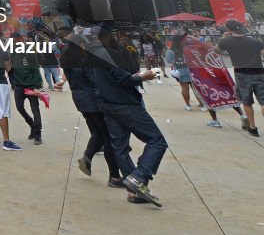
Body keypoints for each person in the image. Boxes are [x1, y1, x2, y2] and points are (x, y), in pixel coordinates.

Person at [91, 25, 168, 206]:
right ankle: (139, 177)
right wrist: (144, 76)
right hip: (124, 104)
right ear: (107, 36)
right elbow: (125, 79)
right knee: (157, 141)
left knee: (120, 147)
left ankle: (134, 190)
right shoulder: (109, 54)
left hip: (106, 104)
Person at [59, 23, 123, 188]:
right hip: (92, 102)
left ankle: (88, 158)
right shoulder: (83, 62)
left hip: (80, 100)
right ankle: (114, 176)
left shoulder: (67, 60)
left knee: (98, 132)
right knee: (107, 135)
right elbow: (95, 82)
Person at [217, 20, 264, 138]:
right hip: (259, 73)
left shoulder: (225, 41)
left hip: (241, 74)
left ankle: (253, 127)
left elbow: (215, 51)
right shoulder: (255, 41)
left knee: (247, 102)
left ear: (228, 29)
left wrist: (223, 37)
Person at [10, 31, 44, 145]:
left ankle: (38, 134)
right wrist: (13, 83)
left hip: (31, 86)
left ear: (20, 40)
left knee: (35, 109)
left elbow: (36, 70)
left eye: (15, 42)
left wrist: (36, 86)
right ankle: (32, 125)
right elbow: (11, 69)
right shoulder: (12, 53)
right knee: (19, 108)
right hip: (19, 86)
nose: (14, 44)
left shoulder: (29, 52)